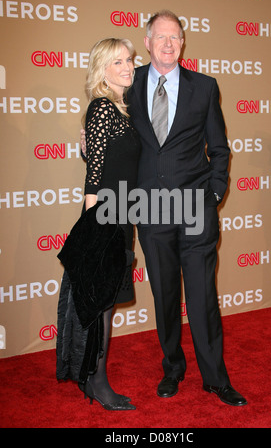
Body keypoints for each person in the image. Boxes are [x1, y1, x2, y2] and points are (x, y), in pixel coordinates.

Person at [81, 10, 247, 407]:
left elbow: (219, 148)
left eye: (176, 37)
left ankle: (215, 378)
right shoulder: (128, 84)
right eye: (161, 37)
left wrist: (214, 194)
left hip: (195, 209)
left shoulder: (204, 87)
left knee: (204, 296)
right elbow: (109, 136)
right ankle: (173, 368)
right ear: (148, 42)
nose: (169, 44)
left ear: (183, 43)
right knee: (165, 296)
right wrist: (84, 145)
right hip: (150, 211)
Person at [56, 38, 140, 411]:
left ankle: (92, 376)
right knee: (102, 302)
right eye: (118, 61)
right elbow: (95, 173)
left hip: (123, 216)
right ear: (102, 69)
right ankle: (96, 382)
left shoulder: (123, 109)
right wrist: (92, 223)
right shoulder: (103, 107)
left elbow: (104, 155)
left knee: (106, 301)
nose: (127, 66)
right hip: (105, 217)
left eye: (129, 59)